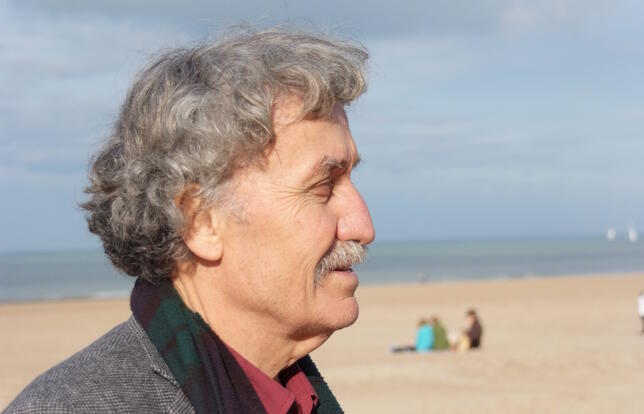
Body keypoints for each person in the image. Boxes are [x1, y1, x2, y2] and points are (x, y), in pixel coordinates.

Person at [6, 28, 375, 414]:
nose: (363, 227)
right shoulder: (67, 407)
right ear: (201, 222)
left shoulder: (300, 397)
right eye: (323, 187)